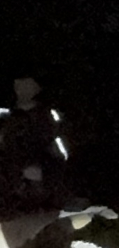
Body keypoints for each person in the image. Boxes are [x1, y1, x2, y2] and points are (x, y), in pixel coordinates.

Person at [0, 78, 69, 212]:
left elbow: (61, 153)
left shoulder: (48, 115)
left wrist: (44, 172)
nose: (20, 89)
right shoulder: (7, 114)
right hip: (10, 179)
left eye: (26, 85)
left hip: (37, 184)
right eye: (17, 85)